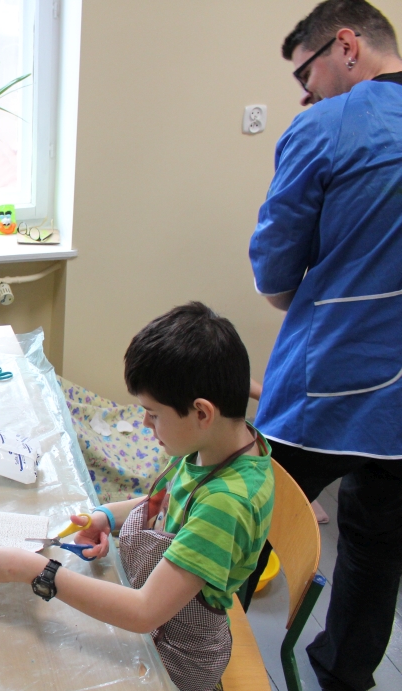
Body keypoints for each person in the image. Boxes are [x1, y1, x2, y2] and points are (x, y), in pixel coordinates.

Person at [0, 303, 275, 691]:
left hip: (176, 655)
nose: (145, 423)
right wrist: (106, 517)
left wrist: (37, 571)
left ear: (202, 412)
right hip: (157, 608)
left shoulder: (227, 505)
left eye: (153, 414)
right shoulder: (215, 443)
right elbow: (167, 501)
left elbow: (145, 612)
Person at [248, 1, 402, 688]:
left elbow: (275, 270)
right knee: (377, 546)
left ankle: (193, 651)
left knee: (243, 521)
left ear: (346, 45)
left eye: (304, 75)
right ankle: (342, 676)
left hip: (328, 377)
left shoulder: (327, 126)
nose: (305, 94)